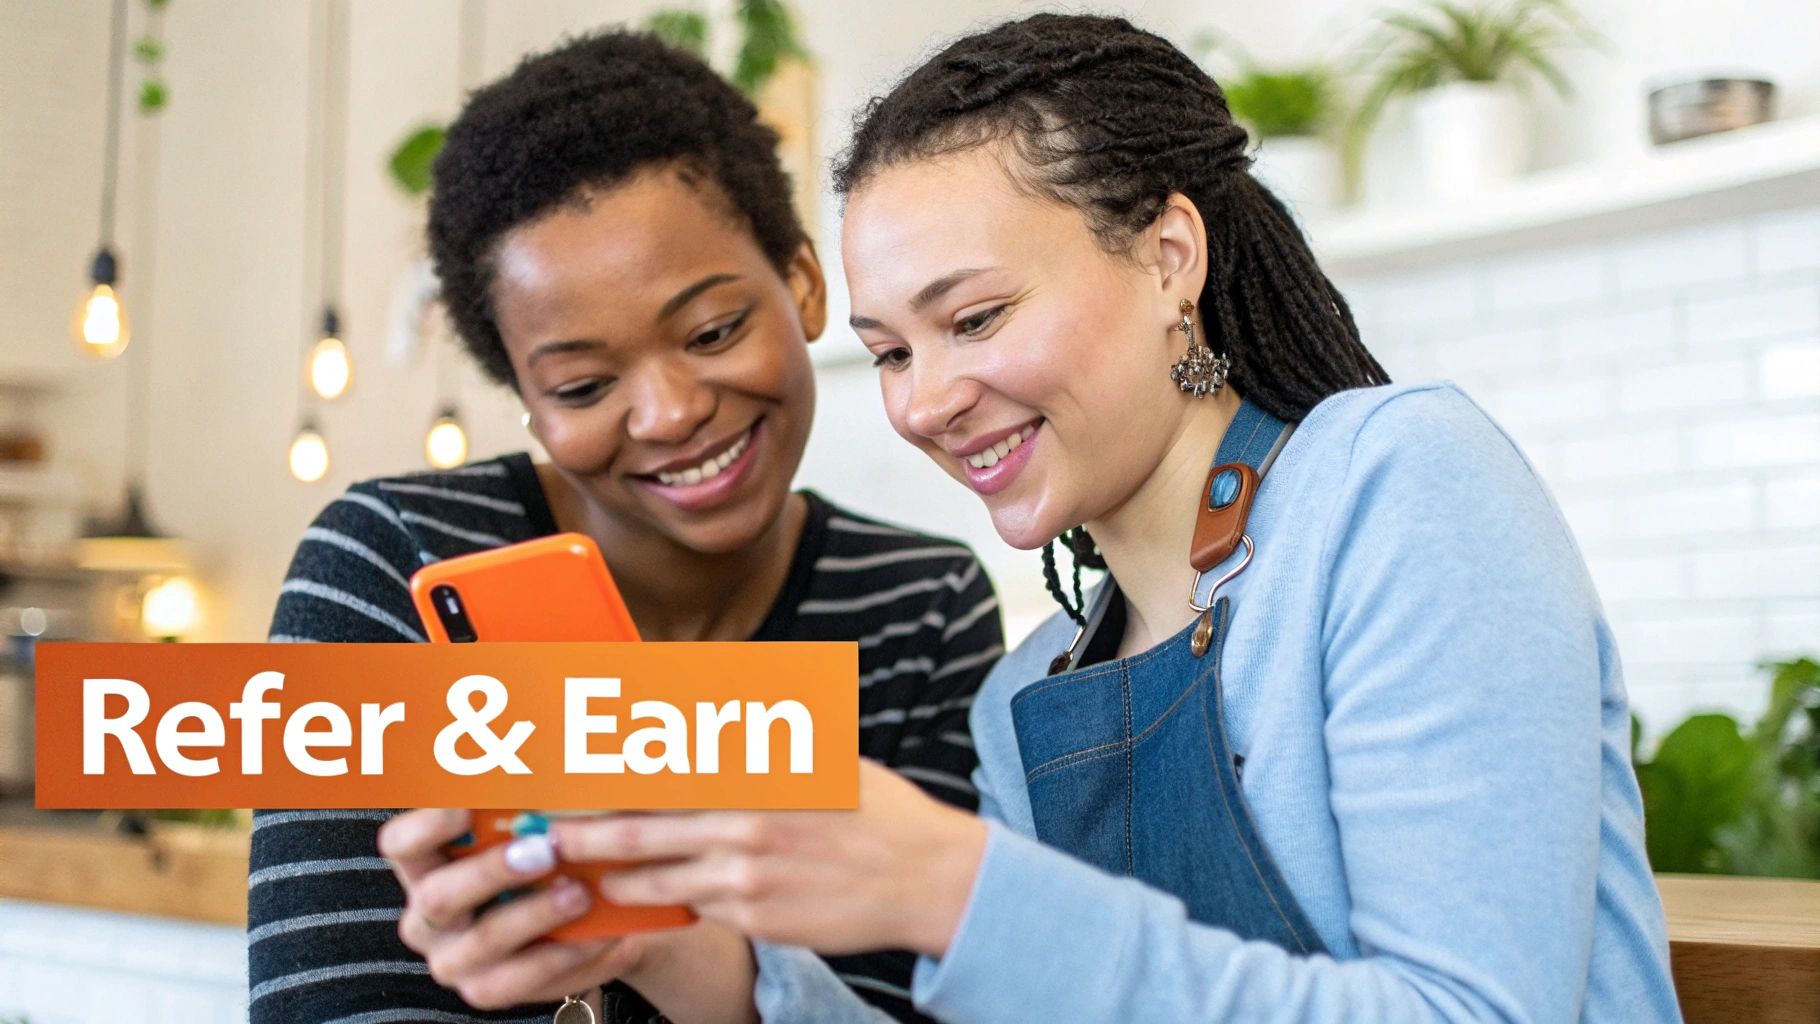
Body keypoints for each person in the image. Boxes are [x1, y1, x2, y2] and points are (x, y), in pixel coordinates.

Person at [533, 14, 1684, 1022]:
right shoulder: (1026, 700)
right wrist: (684, 957)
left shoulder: (1395, 485)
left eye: (974, 317)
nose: (923, 401)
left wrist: (957, 888)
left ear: (1166, 256)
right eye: (889, 351)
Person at [248, 31, 1003, 1024]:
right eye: (583, 385)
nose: (668, 411)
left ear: (804, 285)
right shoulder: (393, 560)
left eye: (712, 330)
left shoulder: (920, 609)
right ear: (526, 396)